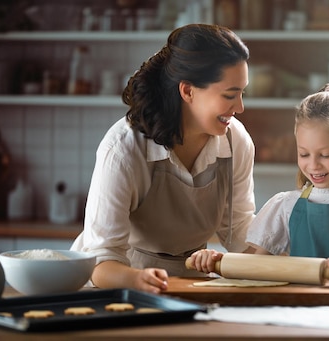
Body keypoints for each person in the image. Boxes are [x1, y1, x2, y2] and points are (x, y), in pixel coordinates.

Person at [70, 24, 256, 294]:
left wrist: (281, 261)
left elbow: (239, 231)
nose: (240, 107)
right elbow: (100, 260)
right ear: (188, 91)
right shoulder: (123, 149)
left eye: (242, 93)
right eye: (230, 95)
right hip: (120, 283)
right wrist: (135, 279)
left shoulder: (235, 142)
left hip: (191, 283)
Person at [189, 83, 329, 287]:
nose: (313, 165)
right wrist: (218, 261)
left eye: (325, 154)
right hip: (301, 313)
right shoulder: (286, 206)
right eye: (304, 154)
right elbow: (253, 267)